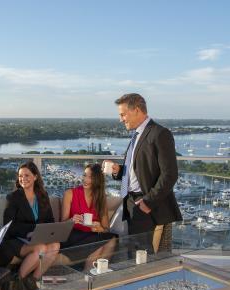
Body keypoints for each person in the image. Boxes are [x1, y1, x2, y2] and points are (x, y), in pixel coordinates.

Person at [104, 93, 182, 252]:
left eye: (123, 114)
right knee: (133, 250)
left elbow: (170, 174)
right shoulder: (136, 135)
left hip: (145, 203)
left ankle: (146, 277)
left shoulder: (160, 134)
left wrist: (148, 202)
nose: (121, 119)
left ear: (137, 110)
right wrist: (119, 171)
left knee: (142, 253)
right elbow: (138, 170)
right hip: (130, 201)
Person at [0, 161, 60, 290]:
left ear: (35, 177)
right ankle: (17, 281)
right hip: (16, 239)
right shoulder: (13, 197)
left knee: (55, 245)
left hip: (37, 236)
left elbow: (50, 219)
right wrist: (31, 232)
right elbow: (8, 226)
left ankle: (33, 280)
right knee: (41, 248)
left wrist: (46, 232)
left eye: (27, 175)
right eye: (20, 176)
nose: (23, 179)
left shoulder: (43, 196)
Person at [61, 163, 117, 270]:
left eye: (90, 177)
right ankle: (91, 275)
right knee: (100, 245)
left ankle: (93, 273)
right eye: (84, 175)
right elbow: (62, 224)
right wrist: (72, 220)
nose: (85, 179)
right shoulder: (70, 194)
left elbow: (106, 229)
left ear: (97, 180)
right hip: (74, 236)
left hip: (92, 235)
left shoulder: (101, 198)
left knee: (111, 239)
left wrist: (99, 227)